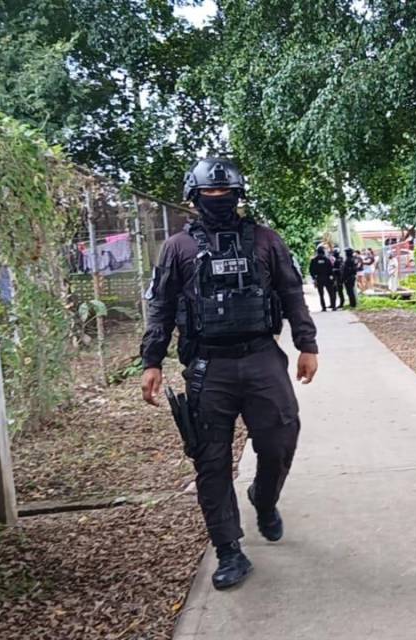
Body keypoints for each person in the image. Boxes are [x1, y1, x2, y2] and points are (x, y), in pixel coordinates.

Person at [139, 158, 319, 590]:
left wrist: (307, 344)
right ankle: (229, 551)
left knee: (280, 439)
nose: (218, 201)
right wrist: (151, 360)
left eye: (226, 195)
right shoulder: (177, 248)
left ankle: (264, 496)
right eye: (209, 196)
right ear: (195, 199)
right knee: (211, 461)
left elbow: (292, 293)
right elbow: (161, 307)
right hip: (208, 367)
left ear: (239, 196)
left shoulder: (266, 241)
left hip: (261, 358)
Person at [309, 246, 336, 311]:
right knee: (331, 293)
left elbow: (311, 270)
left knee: (321, 294)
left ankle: (323, 308)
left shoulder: (314, 260)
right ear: (323, 252)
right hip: (327, 278)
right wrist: (332, 278)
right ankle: (333, 306)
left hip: (319, 278)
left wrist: (314, 278)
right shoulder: (327, 259)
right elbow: (331, 269)